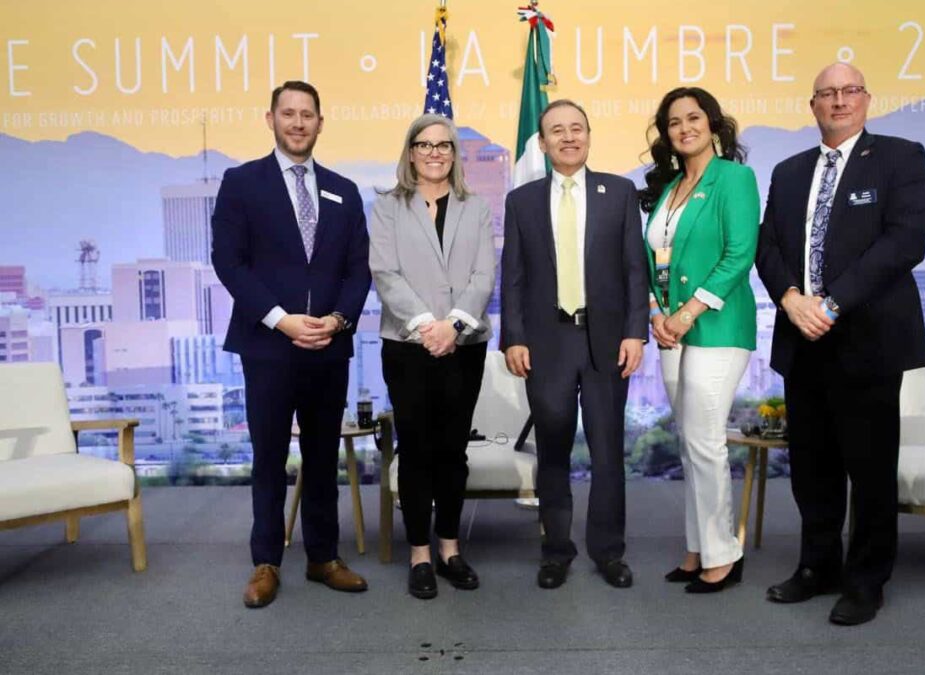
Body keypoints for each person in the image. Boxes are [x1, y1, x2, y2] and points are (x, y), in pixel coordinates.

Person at [755, 63, 925, 625]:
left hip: (870, 338)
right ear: (812, 105)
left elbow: (905, 241)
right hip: (802, 337)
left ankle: (866, 580)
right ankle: (817, 567)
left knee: (871, 468)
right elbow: (769, 245)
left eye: (849, 91)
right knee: (812, 466)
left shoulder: (902, 157)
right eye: (827, 93)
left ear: (866, 99)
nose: (838, 101)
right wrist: (790, 298)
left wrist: (831, 303)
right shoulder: (787, 171)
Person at [211, 80, 371, 609]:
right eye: (289, 114)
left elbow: (357, 269)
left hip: (328, 344)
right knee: (269, 458)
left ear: (321, 123)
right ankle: (265, 562)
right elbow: (229, 263)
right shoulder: (241, 183)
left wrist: (338, 319)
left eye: (308, 115)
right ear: (271, 119)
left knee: (323, 456)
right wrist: (282, 320)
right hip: (269, 345)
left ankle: (324, 557)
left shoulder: (344, 190)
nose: (298, 123)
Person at [500, 99, 649, 590]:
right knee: (555, 452)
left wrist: (635, 331)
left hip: (606, 342)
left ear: (589, 135)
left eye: (577, 129)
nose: (568, 137)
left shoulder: (620, 193)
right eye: (557, 131)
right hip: (547, 343)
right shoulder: (521, 201)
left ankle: (609, 552)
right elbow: (514, 278)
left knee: (608, 453)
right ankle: (556, 551)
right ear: (541, 144)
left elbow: (634, 269)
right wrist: (514, 338)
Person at [369, 114, 496, 600]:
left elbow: (484, 274)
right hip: (408, 347)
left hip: (465, 346)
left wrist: (454, 326)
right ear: (411, 151)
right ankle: (418, 552)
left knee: (452, 452)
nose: (435, 152)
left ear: (454, 154)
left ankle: (449, 547)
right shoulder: (387, 207)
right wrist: (427, 326)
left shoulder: (476, 206)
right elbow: (385, 273)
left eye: (444, 145)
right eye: (425, 144)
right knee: (418, 451)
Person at [639, 87, 759, 593]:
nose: (684, 127)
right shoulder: (667, 188)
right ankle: (696, 549)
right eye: (673, 122)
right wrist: (655, 311)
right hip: (670, 329)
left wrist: (685, 314)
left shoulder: (735, 179)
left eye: (694, 118)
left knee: (706, 443)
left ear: (714, 124)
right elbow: (653, 261)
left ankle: (723, 555)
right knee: (691, 446)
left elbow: (739, 254)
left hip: (717, 326)